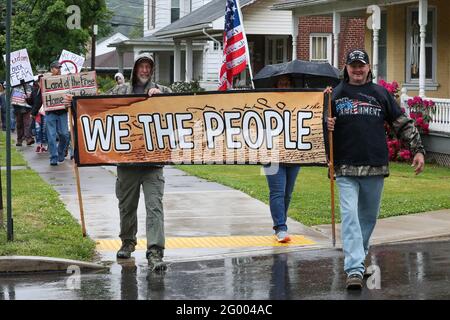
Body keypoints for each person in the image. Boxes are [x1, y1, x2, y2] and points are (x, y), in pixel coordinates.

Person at [326, 49, 425, 290]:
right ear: (346, 68)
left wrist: (418, 150)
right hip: (345, 167)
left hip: (375, 167)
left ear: (369, 67)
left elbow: (402, 123)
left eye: (362, 65)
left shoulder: (380, 94)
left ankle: (358, 255)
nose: (357, 70)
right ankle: (355, 270)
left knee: (367, 220)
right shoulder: (334, 96)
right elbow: (320, 132)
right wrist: (325, 123)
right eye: (353, 66)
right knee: (350, 218)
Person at [65, 53, 171, 271]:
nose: (144, 70)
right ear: (134, 69)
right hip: (126, 164)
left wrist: (162, 95)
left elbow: (181, 102)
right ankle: (127, 242)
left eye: (148, 67)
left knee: (155, 208)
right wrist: (74, 103)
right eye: (141, 66)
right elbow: (95, 104)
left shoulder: (161, 89)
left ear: (152, 70)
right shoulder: (121, 91)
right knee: (126, 207)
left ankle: (155, 252)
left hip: (153, 165)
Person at [263, 74, 301, 243]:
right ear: (276, 85)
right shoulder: (266, 102)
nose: (284, 86)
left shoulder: (299, 103)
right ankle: (280, 228)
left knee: (288, 193)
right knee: (277, 192)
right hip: (271, 154)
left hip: (294, 154)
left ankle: (280, 223)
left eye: (287, 83)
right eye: (281, 84)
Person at [46, 60, 70, 165]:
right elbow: (41, 96)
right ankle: (53, 158)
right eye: (57, 68)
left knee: (65, 135)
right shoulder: (46, 81)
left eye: (60, 68)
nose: (59, 69)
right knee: (51, 136)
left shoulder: (64, 80)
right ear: (51, 69)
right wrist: (33, 111)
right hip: (50, 112)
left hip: (62, 112)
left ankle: (60, 153)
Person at [30, 75, 47, 153]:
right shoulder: (35, 91)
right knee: (37, 130)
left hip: (45, 113)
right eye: (40, 81)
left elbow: (38, 102)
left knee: (44, 130)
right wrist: (27, 99)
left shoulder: (47, 90)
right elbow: (33, 102)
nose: (41, 83)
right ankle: (38, 145)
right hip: (37, 114)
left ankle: (44, 145)